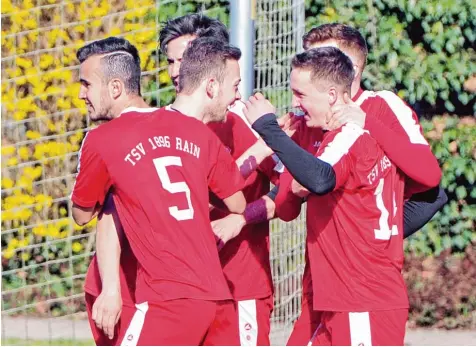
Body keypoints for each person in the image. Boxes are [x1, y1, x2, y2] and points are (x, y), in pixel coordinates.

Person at [85, 15, 278, 346]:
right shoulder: (155, 126)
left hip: (236, 284)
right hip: (166, 293)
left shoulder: (241, 121)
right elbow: (112, 212)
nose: (176, 71)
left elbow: (295, 188)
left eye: (186, 59)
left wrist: (242, 219)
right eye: (171, 61)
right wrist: (111, 287)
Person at [276, 24, 446, 345]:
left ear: (347, 68)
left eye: (320, 56)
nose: (310, 67)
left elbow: (431, 183)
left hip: (359, 287)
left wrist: (371, 238)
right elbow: (286, 206)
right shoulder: (311, 118)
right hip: (321, 287)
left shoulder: (380, 107)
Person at [243, 47, 416, 345]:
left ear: (333, 96)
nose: (295, 103)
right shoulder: (344, 135)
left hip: (363, 301)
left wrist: (269, 130)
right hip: (341, 299)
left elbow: (321, 178)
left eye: (301, 94)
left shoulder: (351, 134)